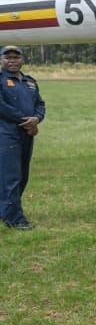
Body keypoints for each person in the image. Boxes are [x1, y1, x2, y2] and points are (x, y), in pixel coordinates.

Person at [0, 45, 45, 230]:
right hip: (7, 133)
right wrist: (26, 120)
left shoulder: (30, 82)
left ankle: (6, 210)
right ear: (1, 60)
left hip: (27, 134)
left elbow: (40, 104)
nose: (12, 61)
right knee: (11, 177)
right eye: (8, 57)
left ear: (22, 59)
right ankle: (15, 219)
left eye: (16, 57)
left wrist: (37, 119)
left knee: (23, 176)